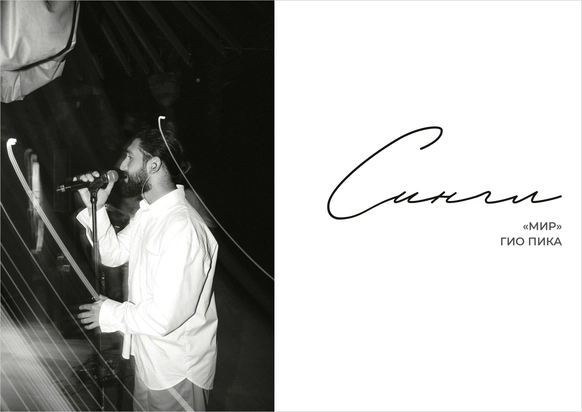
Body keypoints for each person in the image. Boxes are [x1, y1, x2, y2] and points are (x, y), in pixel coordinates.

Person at [76, 128, 218, 411]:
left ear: (153, 164)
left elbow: (165, 317)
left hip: (176, 369)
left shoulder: (182, 228)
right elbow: (113, 254)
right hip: (149, 359)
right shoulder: (149, 214)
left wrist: (109, 314)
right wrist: (97, 208)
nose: (121, 165)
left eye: (130, 157)